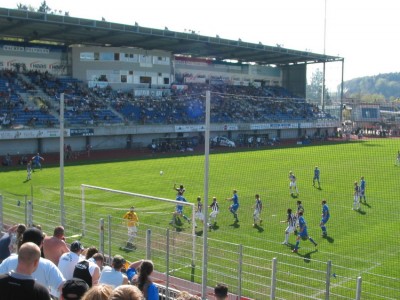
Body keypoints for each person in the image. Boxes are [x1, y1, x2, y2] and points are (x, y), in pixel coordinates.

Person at [0, 227, 66, 299]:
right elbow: (64, 288)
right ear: (41, 243)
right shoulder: (48, 266)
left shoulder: (9, 261)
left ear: (22, 241)